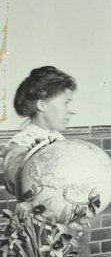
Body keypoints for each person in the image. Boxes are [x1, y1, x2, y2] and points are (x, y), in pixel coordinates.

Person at [3, 66, 77, 196]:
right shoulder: (21, 143)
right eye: (66, 103)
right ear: (42, 105)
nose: (72, 110)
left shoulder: (57, 137)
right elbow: (14, 183)